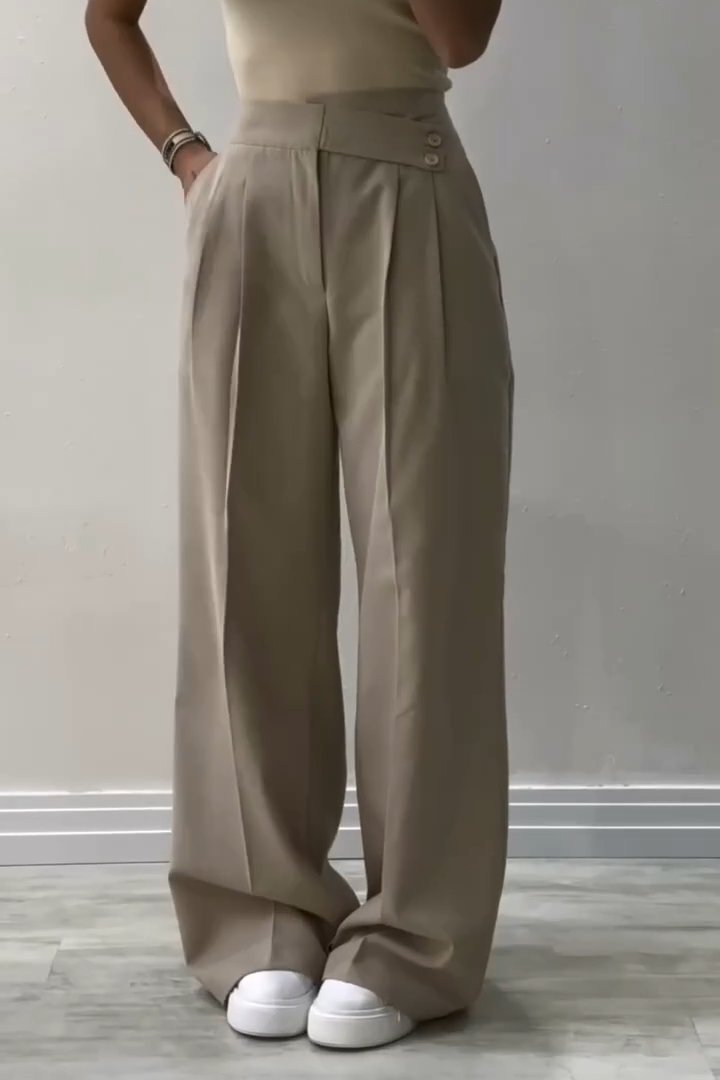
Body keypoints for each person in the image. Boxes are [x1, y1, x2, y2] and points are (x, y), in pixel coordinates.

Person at [85, 0, 513, 1052]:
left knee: (426, 575)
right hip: (254, 192)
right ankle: (261, 915)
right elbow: (109, 17)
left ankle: (412, 939)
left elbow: (460, 39)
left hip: (409, 180)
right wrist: (185, 153)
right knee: (247, 569)